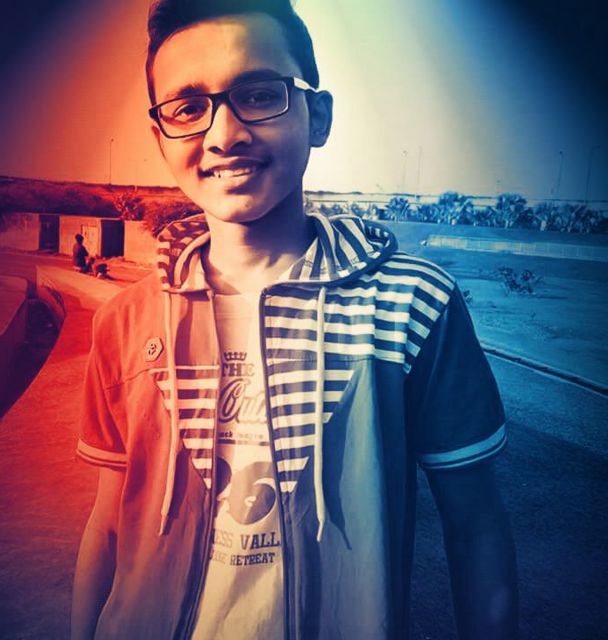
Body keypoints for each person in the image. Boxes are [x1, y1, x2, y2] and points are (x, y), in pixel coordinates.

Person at [72, 1, 518, 638]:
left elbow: (475, 530)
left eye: (259, 95)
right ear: (160, 137)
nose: (224, 134)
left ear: (319, 116)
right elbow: (109, 525)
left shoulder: (411, 306)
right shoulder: (125, 321)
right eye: (188, 108)